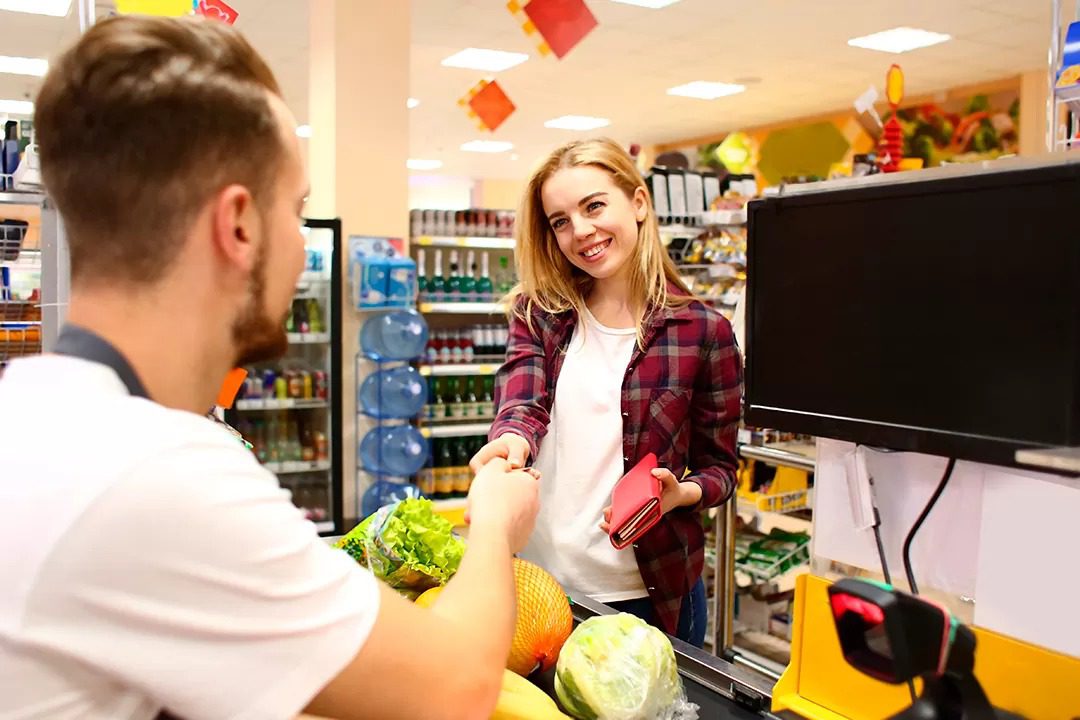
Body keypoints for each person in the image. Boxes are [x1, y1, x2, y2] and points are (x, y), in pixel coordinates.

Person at [0, 15, 539, 720]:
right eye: (298, 209)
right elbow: (456, 688)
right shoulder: (153, 472)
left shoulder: (42, 414)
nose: (298, 241)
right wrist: (495, 525)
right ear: (240, 226)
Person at [470, 138, 742, 647]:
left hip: (649, 594)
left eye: (594, 206)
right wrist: (510, 443)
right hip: (539, 585)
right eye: (560, 220)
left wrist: (679, 493)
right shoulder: (540, 315)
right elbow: (523, 401)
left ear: (638, 203)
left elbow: (721, 468)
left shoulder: (703, 333)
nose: (581, 231)